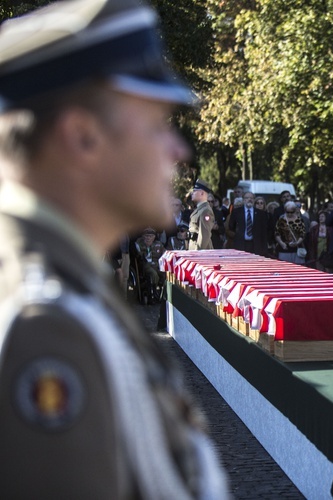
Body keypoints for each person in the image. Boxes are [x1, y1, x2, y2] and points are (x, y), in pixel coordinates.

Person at [0, 0, 227, 497]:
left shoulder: (65, 288)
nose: (178, 150)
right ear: (82, 137)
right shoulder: (46, 324)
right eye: (156, 124)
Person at [226, 191, 272, 256]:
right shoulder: (236, 212)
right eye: (247, 198)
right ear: (243, 200)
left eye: (251, 198)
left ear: (254, 200)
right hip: (241, 244)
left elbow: (264, 232)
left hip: (256, 245)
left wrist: (264, 249)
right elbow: (231, 227)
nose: (249, 200)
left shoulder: (261, 214)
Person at [188, 179, 215, 250]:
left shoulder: (206, 211)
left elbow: (204, 235)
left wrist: (198, 252)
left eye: (194, 191)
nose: (192, 193)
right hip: (194, 247)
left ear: (202, 193)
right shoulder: (200, 209)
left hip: (200, 251)